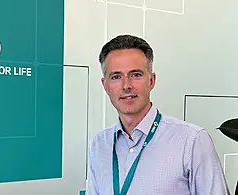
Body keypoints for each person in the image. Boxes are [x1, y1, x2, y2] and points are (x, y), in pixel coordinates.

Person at [86, 34, 230, 195]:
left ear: (151, 80)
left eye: (136, 74)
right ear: (105, 85)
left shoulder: (192, 141)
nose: (126, 85)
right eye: (116, 77)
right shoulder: (98, 145)